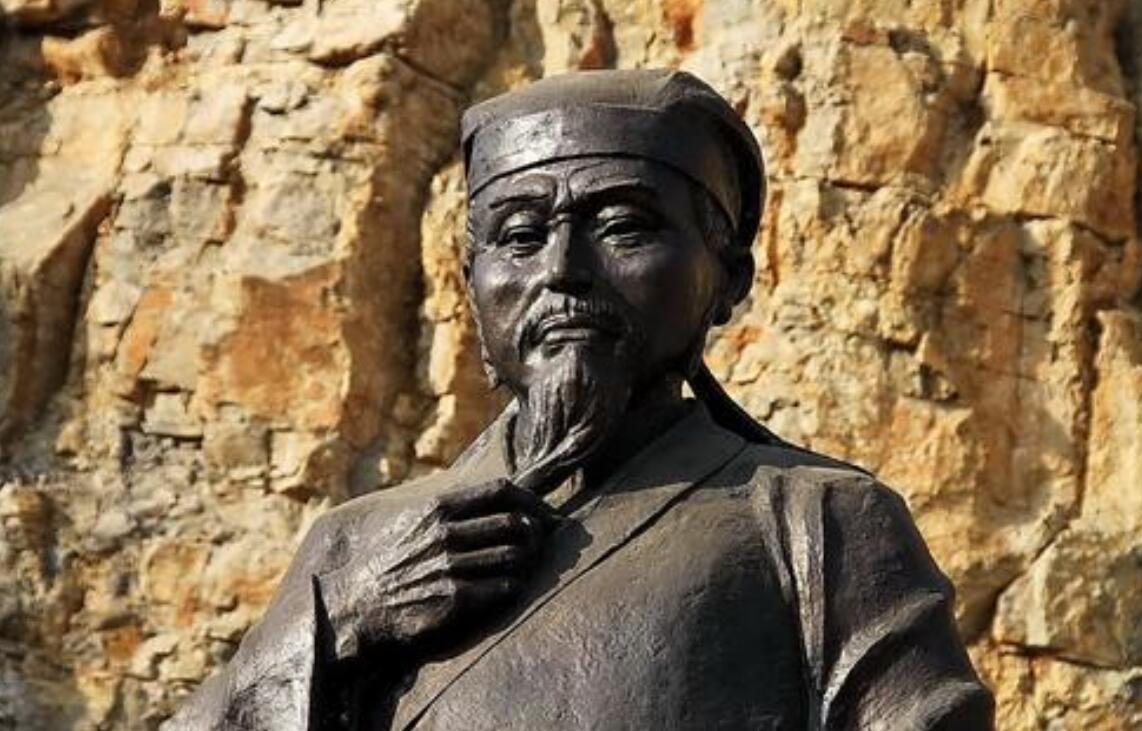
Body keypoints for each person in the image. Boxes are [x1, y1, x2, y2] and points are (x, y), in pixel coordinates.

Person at [166, 69, 994, 730]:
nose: (562, 270)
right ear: (472, 284)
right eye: (520, 237)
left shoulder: (820, 520)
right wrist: (343, 624)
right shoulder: (354, 547)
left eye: (624, 225)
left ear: (728, 276)